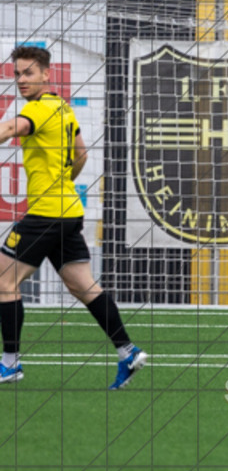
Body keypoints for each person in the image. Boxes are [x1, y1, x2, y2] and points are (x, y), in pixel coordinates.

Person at [0, 47, 146, 388]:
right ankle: (127, 351)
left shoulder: (39, 109)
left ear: (47, 75)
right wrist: (63, 180)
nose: (21, 80)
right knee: (84, 286)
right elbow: (80, 154)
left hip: (47, 214)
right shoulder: (63, 109)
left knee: (4, 282)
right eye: (17, 73)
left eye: (29, 73)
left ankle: (10, 364)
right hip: (67, 212)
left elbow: (9, 128)